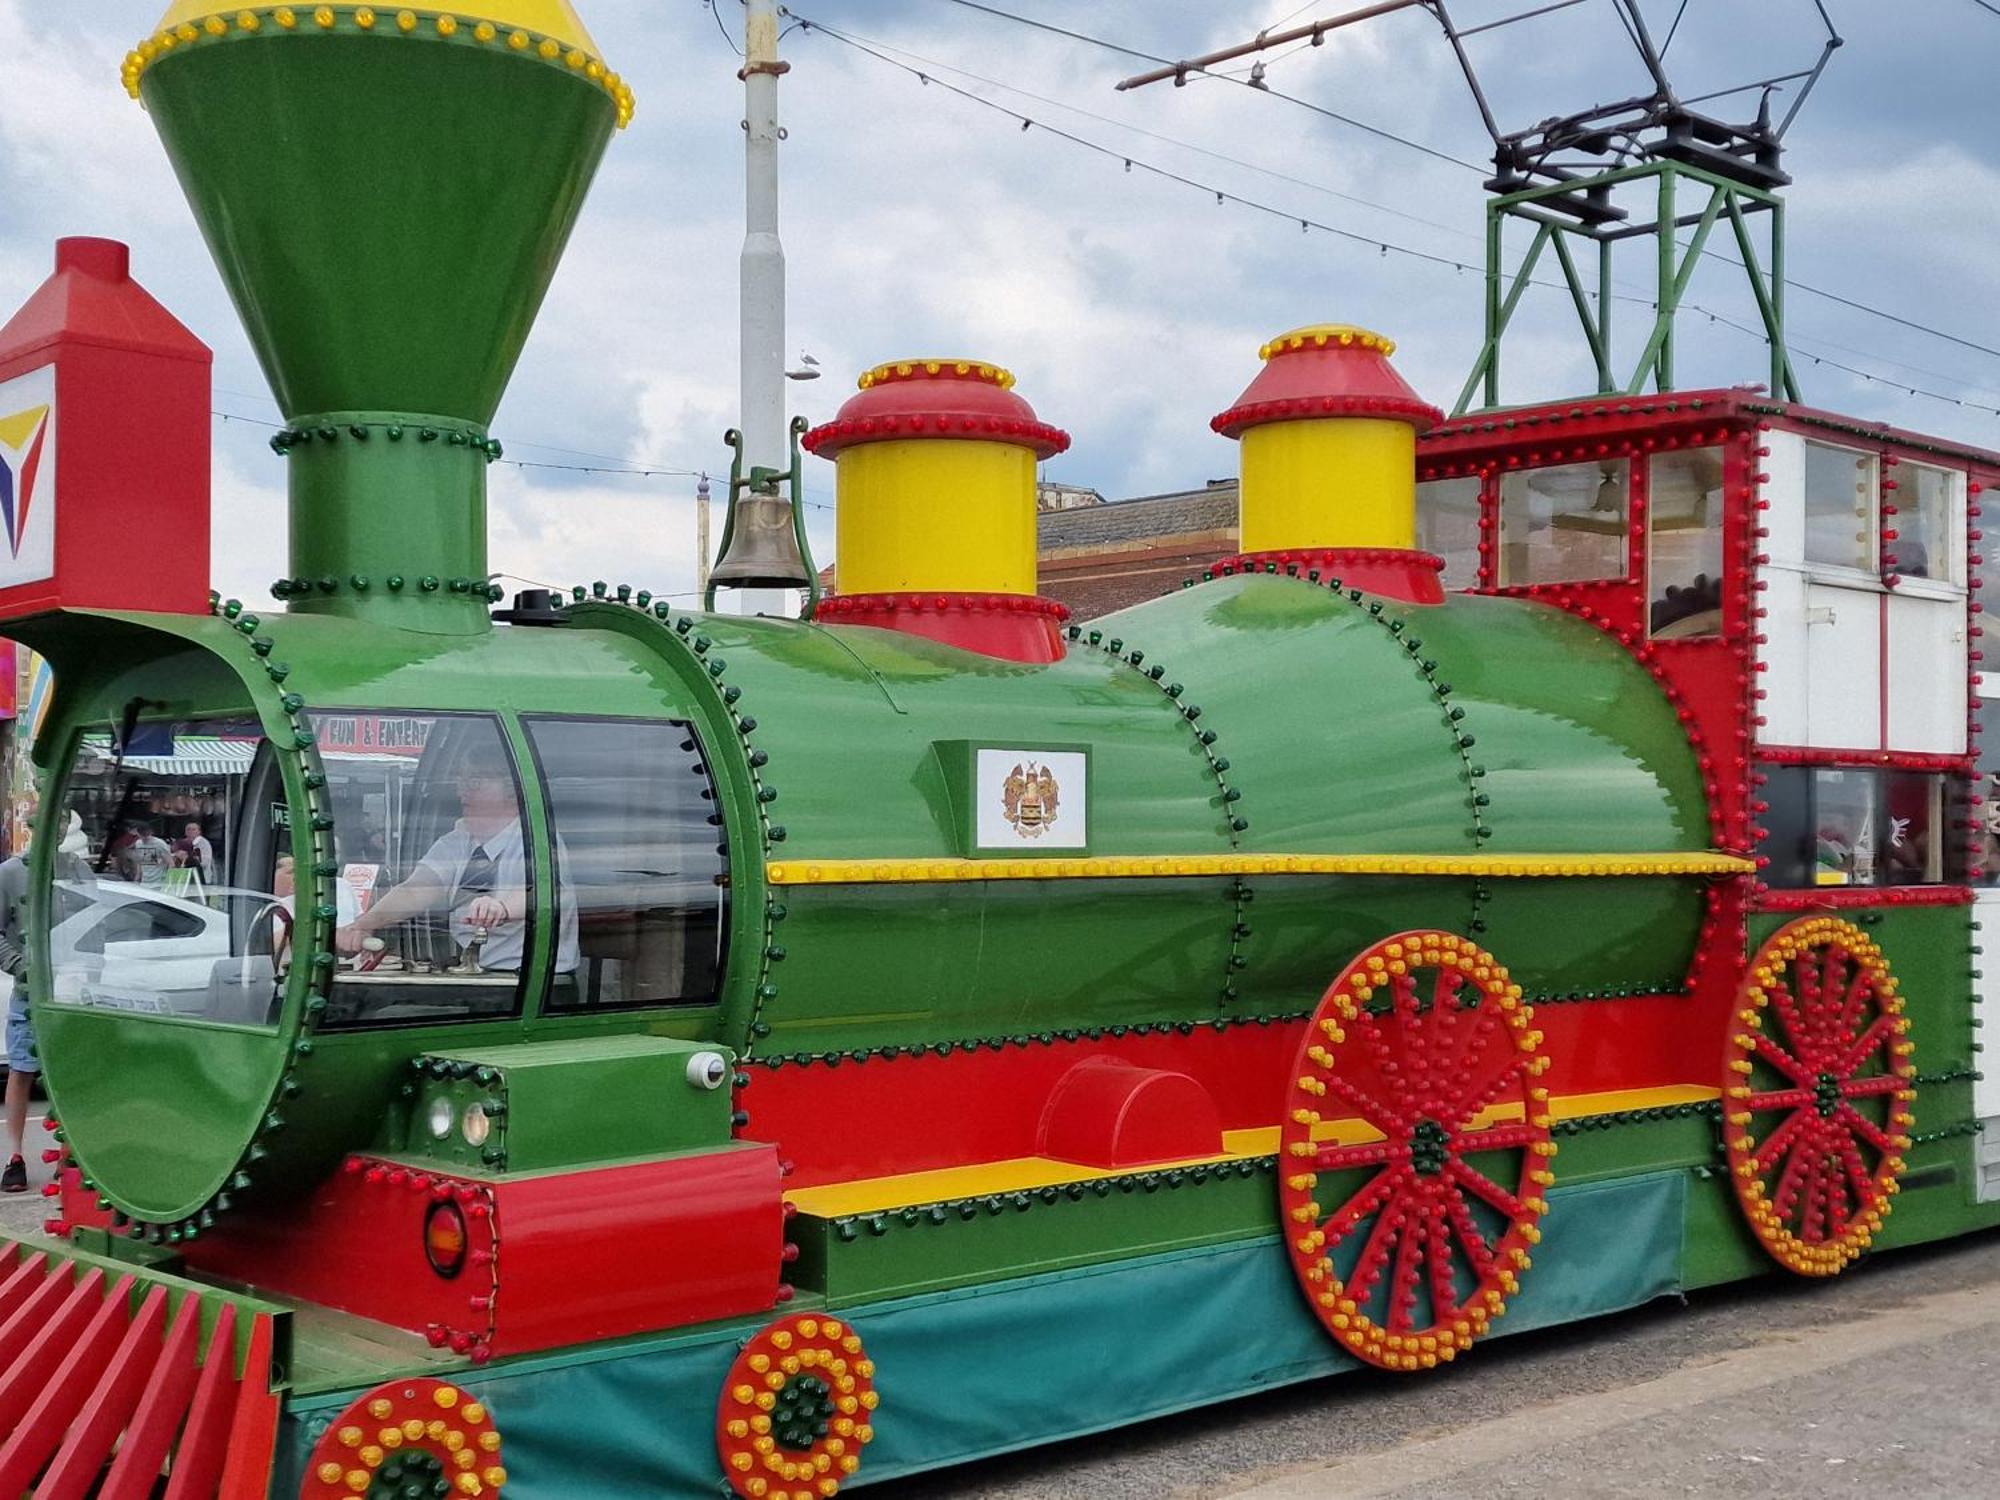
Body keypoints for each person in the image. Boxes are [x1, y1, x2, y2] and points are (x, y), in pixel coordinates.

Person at [334, 746, 577, 975]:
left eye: (474, 783)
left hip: (533, 983)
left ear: (512, 791)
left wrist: (500, 908)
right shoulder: (459, 840)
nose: (461, 791)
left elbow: (547, 893)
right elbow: (415, 890)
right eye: (460, 781)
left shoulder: (538, 839)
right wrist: (364, 924)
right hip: (479, 976)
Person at [0, 812, 90, 1192]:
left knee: (70, 1072)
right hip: (30, 990)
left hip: (70, 987)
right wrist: (20, 966)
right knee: (22, 1069)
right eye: (45, 828)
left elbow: (94, 923)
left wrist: (92, 970)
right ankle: (15, 1154)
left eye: (59, 829)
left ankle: (69, 1152)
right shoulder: (9, 873)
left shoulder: (78, 871)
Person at [119, 820, 173, 888]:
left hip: (158, 883)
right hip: (144, 883)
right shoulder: (138, 844)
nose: (144, 838)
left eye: (146, 836)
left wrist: (167, 880)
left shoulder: (160, 844)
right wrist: (137, 878)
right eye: (142, 836)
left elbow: (171, 864)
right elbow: (140, 862)